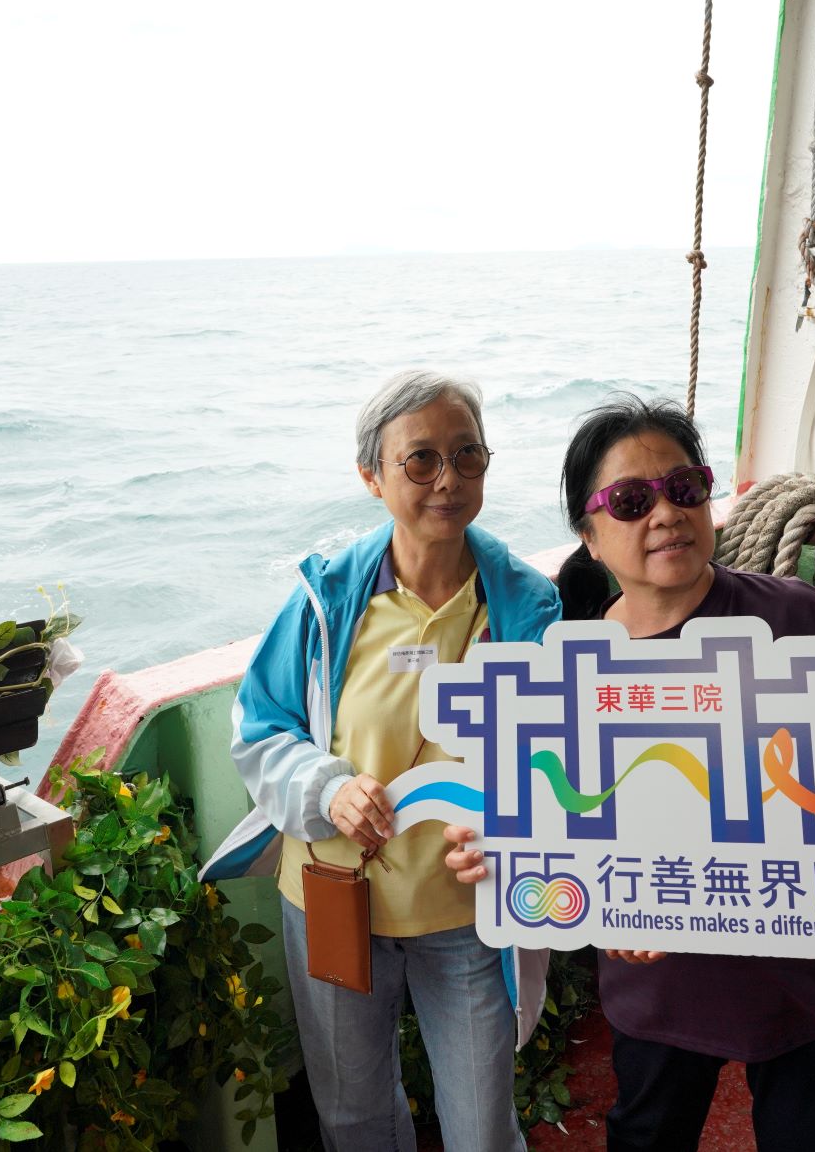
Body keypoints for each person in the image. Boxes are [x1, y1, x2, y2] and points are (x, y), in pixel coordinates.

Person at [446, 394, 815, 1152]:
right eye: (631, 501)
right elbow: (549, 824)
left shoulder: (802, 619)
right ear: (589, 537)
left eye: (684, 487)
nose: (666, 513)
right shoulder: (566, 672)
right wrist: (498, 850)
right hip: (661, 981)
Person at [200, 370, 562, 1152]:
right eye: (420, 459)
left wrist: (514, 830)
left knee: (482, 1128)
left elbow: (555, 757)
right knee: (354, 1117)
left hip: (467, 910)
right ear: (372, 476)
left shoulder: (527, 606)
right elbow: (260, 727)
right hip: (334, 896)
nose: (448, 479)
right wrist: (325, 789)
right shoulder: (325, 601)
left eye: (467, 454)